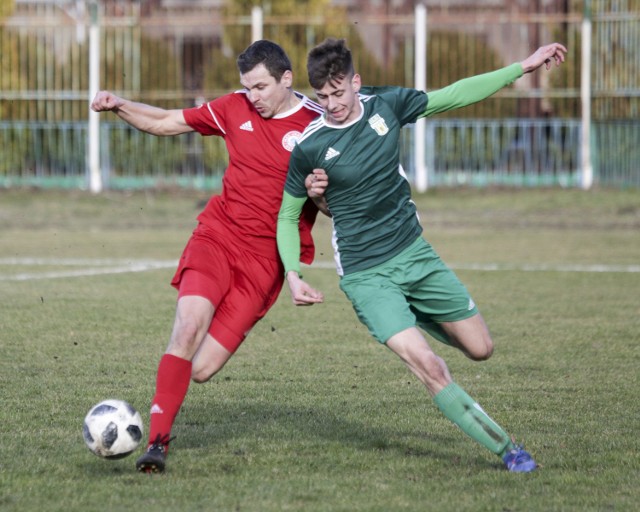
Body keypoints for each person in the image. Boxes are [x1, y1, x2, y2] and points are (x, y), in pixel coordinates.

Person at [278, 38, 567, 472]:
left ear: (355, 82)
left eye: (339, 93)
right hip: (366, 274)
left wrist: (522, 67)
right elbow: (287, 213)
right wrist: (293, 273)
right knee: (429, 366)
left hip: (415, 253)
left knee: (481, 347)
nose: (332, 104)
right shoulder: (310, 146)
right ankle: (508, 450)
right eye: (322, 97)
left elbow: (453, 95)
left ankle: (416, 313)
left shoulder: (387, 105)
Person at [91, 40, 324, 473]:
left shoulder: (318, 125)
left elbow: (332, 204)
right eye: (247, 87)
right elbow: (164, 121)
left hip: (266, 263)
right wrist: (119, 104)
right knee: (187, 326)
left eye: (260, 87)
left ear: (286, 79)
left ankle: (168, 405)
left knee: (202, 369)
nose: (252, 97)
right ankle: (157, 444)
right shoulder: (234, 108)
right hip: (217, 236)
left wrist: (320, 195)